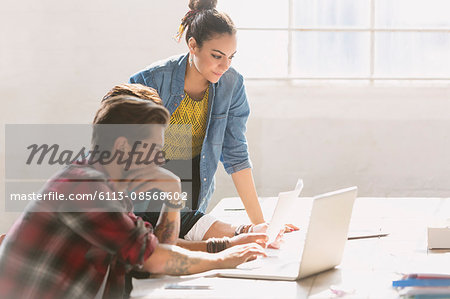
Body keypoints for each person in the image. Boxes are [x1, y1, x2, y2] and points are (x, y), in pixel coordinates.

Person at [0, 89, 266, 299]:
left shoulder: (102, 183)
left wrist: (173, 194)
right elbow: (155, 260)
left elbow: (154, 250)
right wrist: (222, 259)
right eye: (154, 147)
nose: (161, 157)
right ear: (123, 146)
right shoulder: (87, 187)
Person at [129, 0, 298, 236]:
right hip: (147, 182)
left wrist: (262, 226)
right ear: (193, 45)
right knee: (165, 250)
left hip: (194, 182)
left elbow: (236, 154)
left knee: (189, 246)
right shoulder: (151, 81)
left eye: (231, 57)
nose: (225, 65)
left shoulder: (232, 84)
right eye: (217, 55)